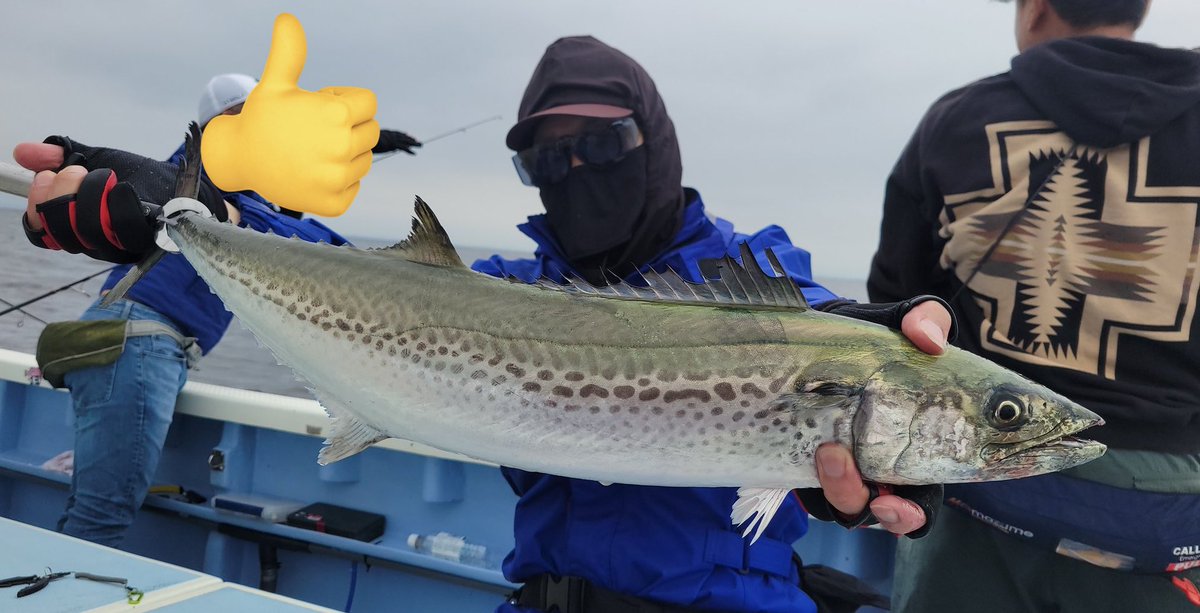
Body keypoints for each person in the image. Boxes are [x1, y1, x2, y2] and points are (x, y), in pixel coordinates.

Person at [474, 36, 955, 613]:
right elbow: (355, 302)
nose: (577, 170)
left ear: (655, 138)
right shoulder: (502, 297)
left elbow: (802, 319)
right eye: (548, 160)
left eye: (603, 144)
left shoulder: (741, 270)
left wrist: (859, 344)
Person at [867, 0, 1200, 610]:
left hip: (982, 477)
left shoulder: (959, 120)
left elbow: (897, 313)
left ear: (1035, 8)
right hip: (1168, 510)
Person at [13, 75, 351, 548]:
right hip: (140, 343)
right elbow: (206, 194)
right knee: (100, 517)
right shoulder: (209, 169)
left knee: (95, 508)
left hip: (135, 342)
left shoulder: (243, 186)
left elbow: (265, 213)